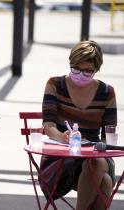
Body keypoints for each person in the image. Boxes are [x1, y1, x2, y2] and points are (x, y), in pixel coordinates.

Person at [41, 40, 117, 210]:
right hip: (62, 156)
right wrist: (62, 136)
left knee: (94, 163)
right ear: (71, 64)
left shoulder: (107, 92)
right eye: (76, 69)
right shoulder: (55, 84)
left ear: (96, 70)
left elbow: (109, 134)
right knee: (103, 181)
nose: (80, 74)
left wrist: (98, 148)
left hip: (95, 153)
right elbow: (48, 125)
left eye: (87, 71)